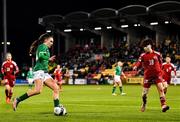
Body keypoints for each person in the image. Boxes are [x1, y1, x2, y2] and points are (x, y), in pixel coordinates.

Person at [13, 33, 62, 112]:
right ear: (46, 40)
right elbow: (41, 56)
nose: (52, 43)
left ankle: (57, 108)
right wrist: (48, 58)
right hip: (39, 71)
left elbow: (41, 57)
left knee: (56, 88)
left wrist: (48, 59)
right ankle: (18, 99)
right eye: (51, 41)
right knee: (37, 90)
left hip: (44, 72)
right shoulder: (42, 46)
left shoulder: (45, 48)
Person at [133, 39, 169, 112]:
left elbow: (160, 63)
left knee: (161, 89)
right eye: (143, 47)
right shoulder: (143, 55)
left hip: (157, 75)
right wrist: (136, 66)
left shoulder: (157, 54)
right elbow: (139, 63)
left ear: (149, 46)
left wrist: (160, 73)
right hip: (148, 76)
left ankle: (163, 105)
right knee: (144, 94)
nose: (144, 48)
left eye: (145, 47)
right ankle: (144, 104)